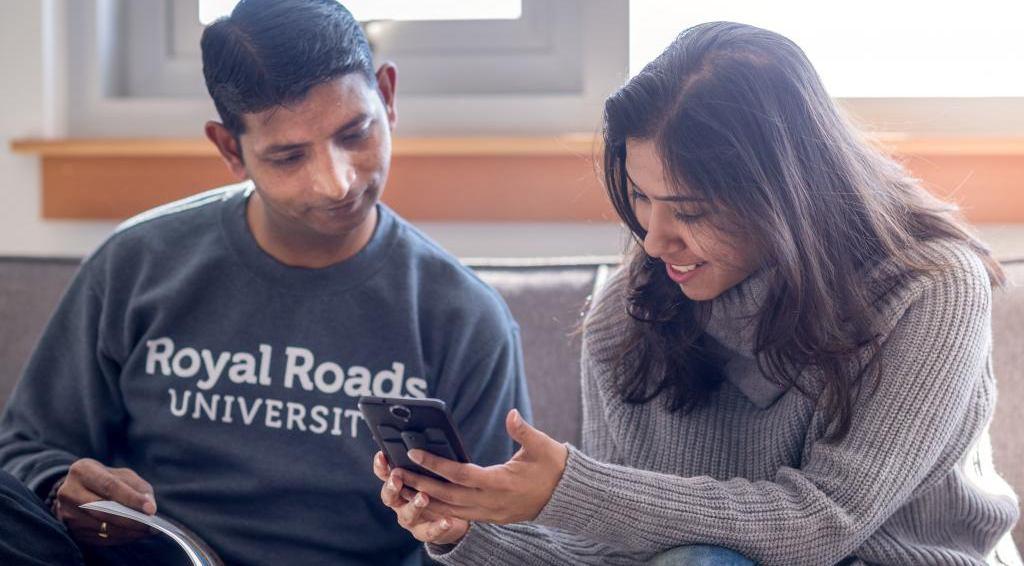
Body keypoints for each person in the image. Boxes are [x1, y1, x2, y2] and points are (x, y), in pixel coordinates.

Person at [376, 21, 1020, 565]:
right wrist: (470, 529)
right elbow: (613, 557)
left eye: (691, 210)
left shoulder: (931, 289)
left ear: (785, 198)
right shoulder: (628, 312)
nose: (654, 241)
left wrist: (572, 489)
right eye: (640, 197)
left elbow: (826, 521)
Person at [0, 0, 530, 564]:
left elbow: (505, 538)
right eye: (289, 157)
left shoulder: (462, 316)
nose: (336, 182)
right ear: (230, 148)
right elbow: (23, 450)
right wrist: (61, 488)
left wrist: (455, 535)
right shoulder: (136, 265)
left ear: (389, 97)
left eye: (355, 133)